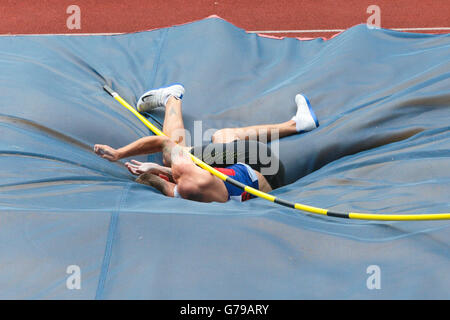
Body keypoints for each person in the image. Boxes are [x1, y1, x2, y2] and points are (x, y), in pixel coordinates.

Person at [94, 84, 319, 202]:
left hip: (270, 177)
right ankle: (173, 97)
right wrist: (118, 154)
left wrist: (157, 170)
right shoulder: (187, 178)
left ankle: (297, 124)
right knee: (183, 148)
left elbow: (181, 177)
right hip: (258, 161)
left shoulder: (186, 189)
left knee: (216, 140)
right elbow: (163, 144)